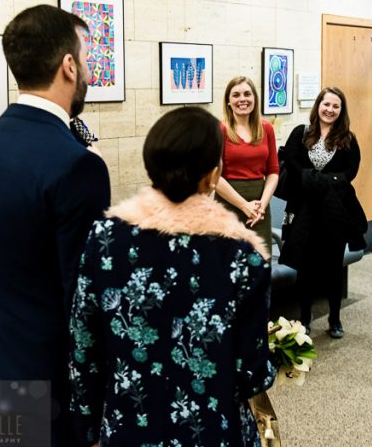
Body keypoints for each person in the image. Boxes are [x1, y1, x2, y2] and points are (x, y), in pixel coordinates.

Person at [0, 4, 111, 447]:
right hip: (50, 375)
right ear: (69, 65)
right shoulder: (77, 164)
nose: (89, 74)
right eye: (87, 61)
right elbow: (83, 296)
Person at [68, 106, 275, 447]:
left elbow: (84, 346)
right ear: (213, 174)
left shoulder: (104, 240)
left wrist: (87, 428)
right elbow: (251, 371)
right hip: (212, 428)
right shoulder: (242, 257)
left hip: (129, 426)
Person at [279, 87, 367, 339]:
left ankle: (335, 319)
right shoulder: (301, 133)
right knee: (305, 267)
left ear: (341, 110)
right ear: (318, 106)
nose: (330, 110)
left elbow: (351, 170)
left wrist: (330, 180)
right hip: (305, 209)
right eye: (326, 104)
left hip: (335, 211)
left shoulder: (348, 138)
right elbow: (292, 162)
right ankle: (305, 318)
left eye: (335, 106)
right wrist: (310, 178)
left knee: (333, 266)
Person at [215, 76, 279, 254]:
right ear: (228, 101)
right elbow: (214, 177)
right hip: (228, 206)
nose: (242, 99)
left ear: (254, 99)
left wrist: (262, 205)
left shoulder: (267, 129)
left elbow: (273, 171)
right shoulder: (220, 130)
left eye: (247, 94)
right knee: (228, 268)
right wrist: (244, 205)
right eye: (236, 95)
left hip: (259, 209)